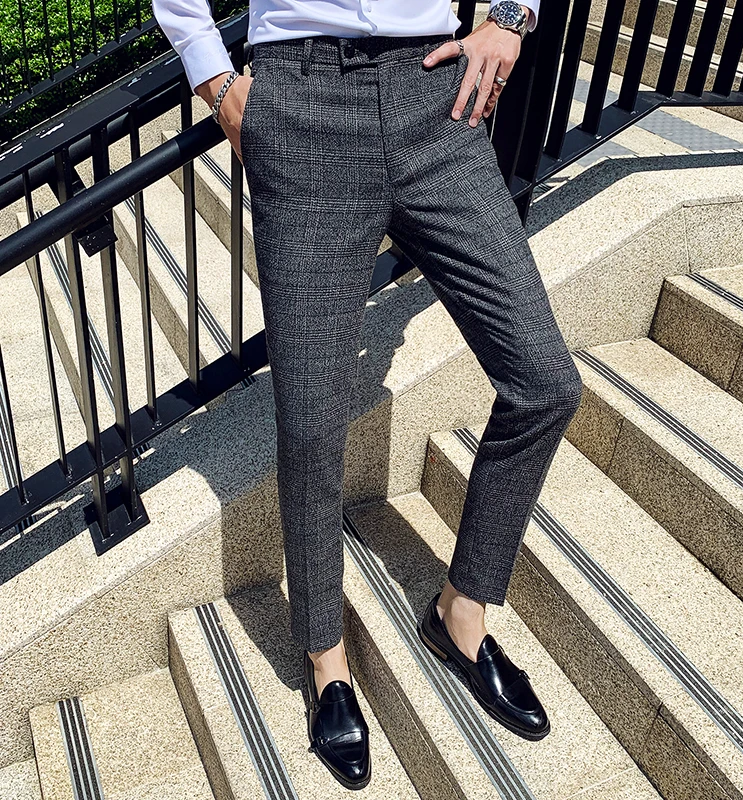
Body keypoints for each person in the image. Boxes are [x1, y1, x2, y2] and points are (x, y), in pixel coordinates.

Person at [152, 0, 584, 789]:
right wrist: (214, 80)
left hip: (436, 96)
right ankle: (326, 661)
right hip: (301, 102)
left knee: (545, 382)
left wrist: (512, 17)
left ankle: (461, 612)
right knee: (311, 425)